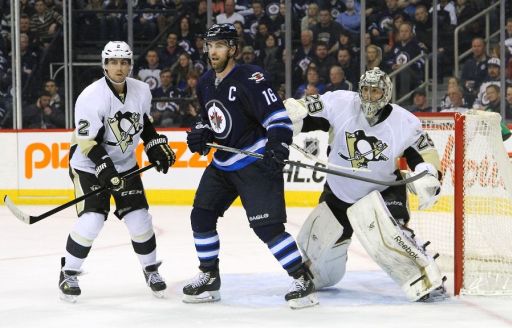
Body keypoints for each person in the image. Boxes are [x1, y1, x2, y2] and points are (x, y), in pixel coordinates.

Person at [183, 23, 318, 309]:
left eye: (219, 45)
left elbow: (278, 118)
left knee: (267, 228)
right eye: (210, 45)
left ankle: (302, 278)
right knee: (201, 217)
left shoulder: (251, 78)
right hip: (223, 163)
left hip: (254, 160)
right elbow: (207, 119)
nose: (213, 51)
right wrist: (201, 133)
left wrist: (278, 146)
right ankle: (209, 275)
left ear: (232, 49)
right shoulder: (206, 81)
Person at [284, 67, 447, 303]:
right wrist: (293, 114)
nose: (370, 96)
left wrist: (428, 173)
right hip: (338, 194)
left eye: (376, 91)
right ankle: (325, 265)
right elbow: (308, 111)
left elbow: (425, 151)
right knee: (319, 265)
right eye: (366, 90)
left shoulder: (404, 122)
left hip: (381, 193)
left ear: (386, 93)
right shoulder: (341, 102)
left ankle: (425, 276)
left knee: (389, 236)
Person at [58, 41, 176, 302]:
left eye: (124, 62)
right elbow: (87, 142)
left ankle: (151, 270)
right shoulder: (90, 96)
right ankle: (68, 273)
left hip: (124, 164)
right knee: (93, 219)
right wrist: (104, 169)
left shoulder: (142, 90)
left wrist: (155, 146)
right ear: (104, 65)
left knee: (140, 219)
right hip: (87, 164)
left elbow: (143, 124)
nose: (118, 67)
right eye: (113, 62)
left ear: (130, 64)